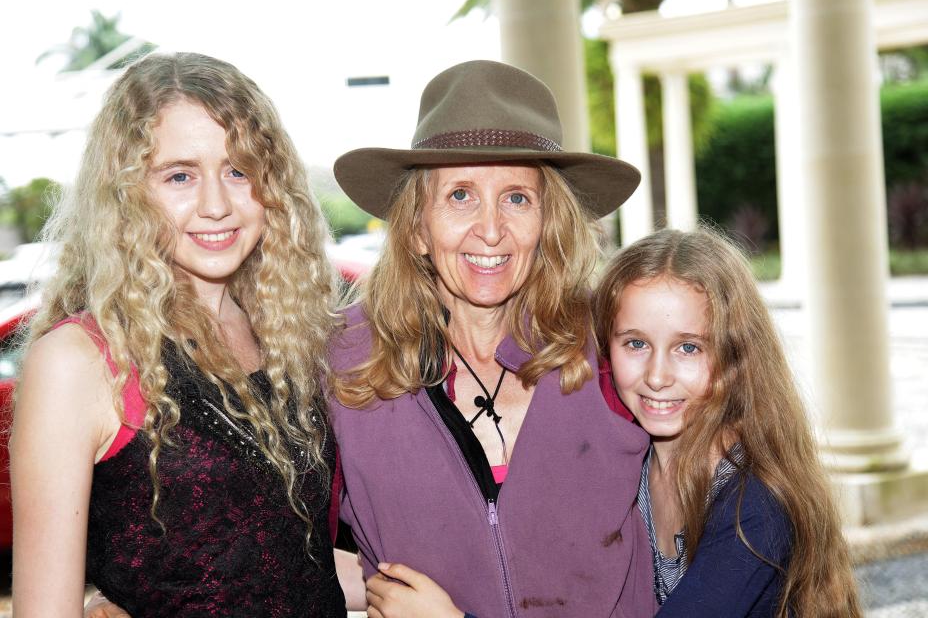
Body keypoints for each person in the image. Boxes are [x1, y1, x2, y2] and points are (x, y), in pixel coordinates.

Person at [11, 52, 355, 616]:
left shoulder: (291, 337)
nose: (217, 205)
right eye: (179, 176)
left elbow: (283, 555)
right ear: (125, 195)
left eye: (239, 171)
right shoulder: (80, 361)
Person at [329, 60, 656, 618]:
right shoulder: (344, 366)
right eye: (460, 195)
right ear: (415, 228)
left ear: (548, 221)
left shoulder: (617, 345)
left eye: (517, 197)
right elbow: (296, 559)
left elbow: (717, 507)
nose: (490, 229)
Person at [590, 228, 862, 617]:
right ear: (605, 349)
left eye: (689, 347)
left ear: (736, 359)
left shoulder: (754, 507)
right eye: (636, 343)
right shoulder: (627, 468)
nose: (657, 375)